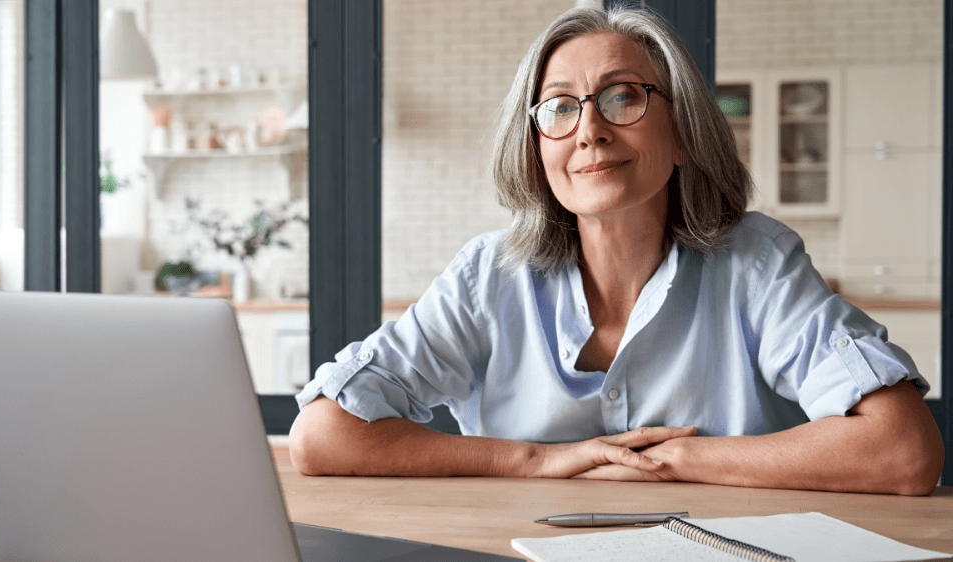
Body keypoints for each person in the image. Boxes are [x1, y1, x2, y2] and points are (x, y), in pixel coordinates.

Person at [289, 6, 944, 495]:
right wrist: (539, 460)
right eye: (560, 108)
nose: (590, 130)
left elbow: (903, 451)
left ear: (683, 130)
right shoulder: (488, 275)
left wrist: (675, 459)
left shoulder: (758, 261)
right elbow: (323, 436)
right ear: (537, 147)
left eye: (623, 96)